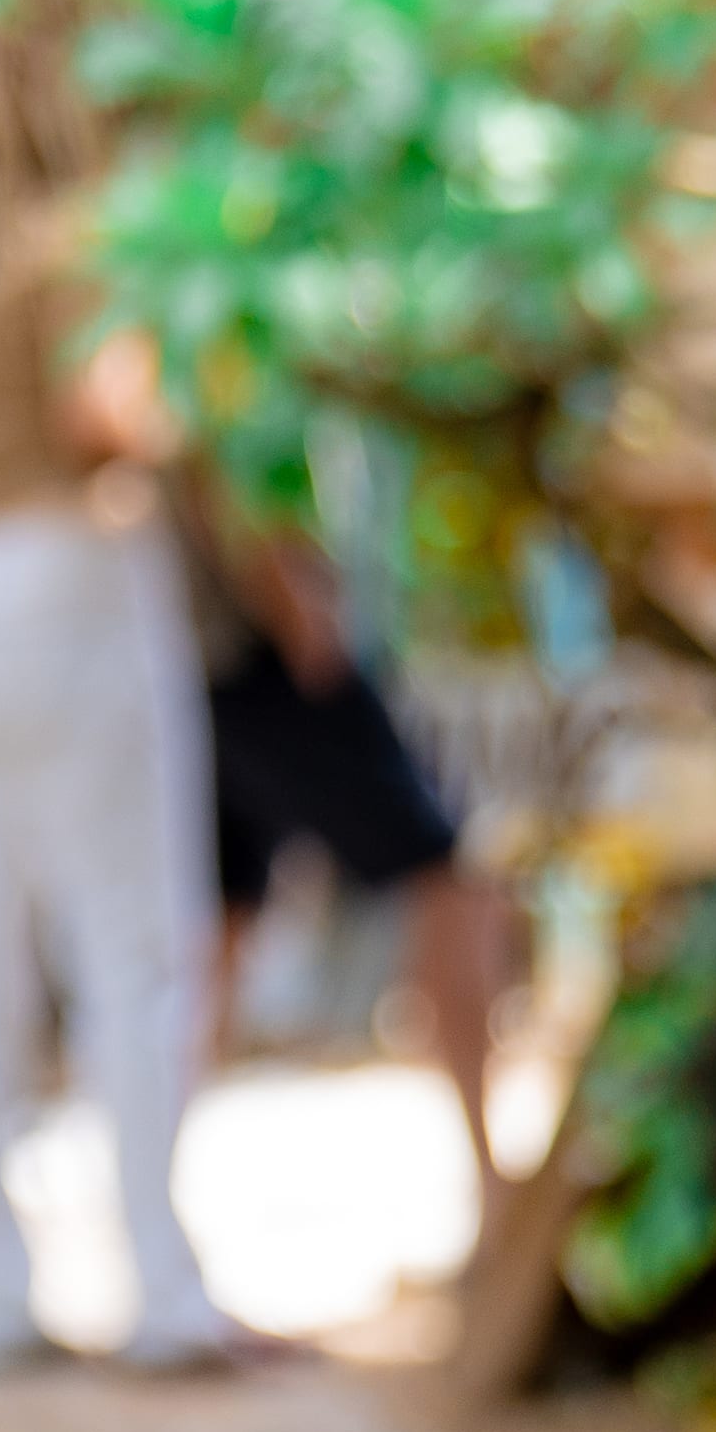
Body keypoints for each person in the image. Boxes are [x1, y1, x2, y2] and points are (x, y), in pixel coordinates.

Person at [0, 222, 235, 1371]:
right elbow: (106, 417)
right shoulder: (80, 249)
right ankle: (164, 1290)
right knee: (132, 944)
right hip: (76, 569)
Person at [195, 501, 510, 1190]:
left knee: (215, 935)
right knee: (449, 882)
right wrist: (300, 604)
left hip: (201, 669)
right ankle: (492, 1181)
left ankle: (151, 1202)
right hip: (266, 654)